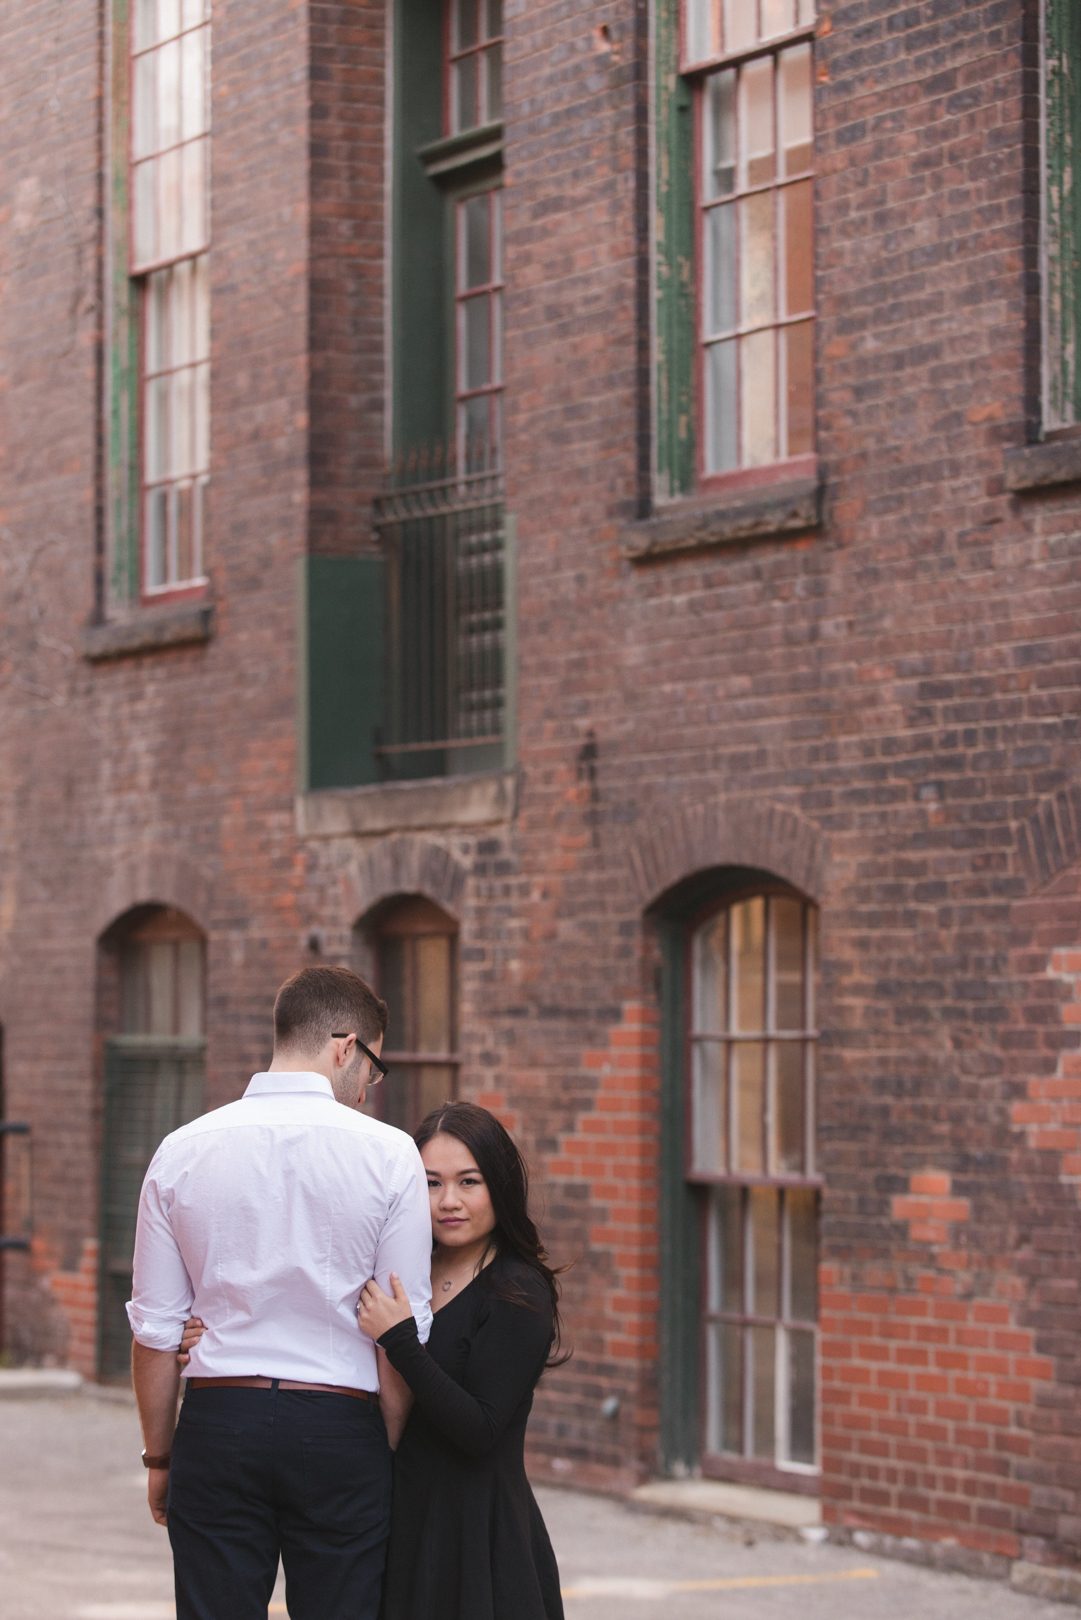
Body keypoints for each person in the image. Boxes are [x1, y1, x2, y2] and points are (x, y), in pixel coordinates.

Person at [126, 965, 433, 1620]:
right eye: (372, 1074)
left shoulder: (181, 1150)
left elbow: (154, 1332)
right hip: (340, 1424)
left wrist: (160, 1455)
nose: (367, 1092)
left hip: (218, 1422)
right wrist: (386, 1451)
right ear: (345, 1047)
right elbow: (404, 1331)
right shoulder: (390, 1154)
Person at [358, 1100, 566, 1620]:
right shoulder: (401, 1272)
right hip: (400, 1518)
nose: (448, 1201)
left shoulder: (517, 1291)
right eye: (431, 1183)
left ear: (499, 1186)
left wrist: (403, 1343)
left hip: (478, 1537)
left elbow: (480, 1428)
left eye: (468, 1182)